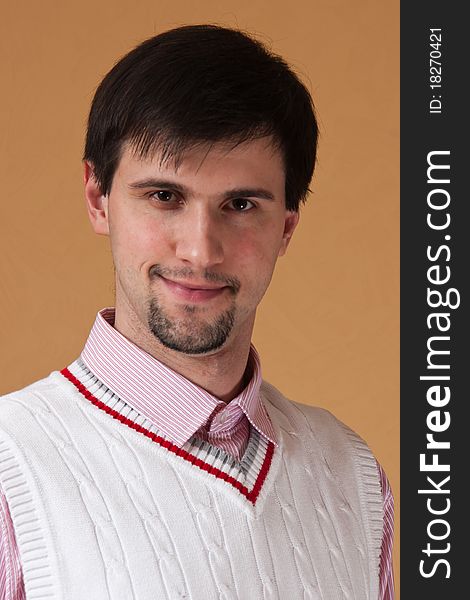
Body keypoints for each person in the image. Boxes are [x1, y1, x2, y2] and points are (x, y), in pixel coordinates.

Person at [0, 24, 394, 599]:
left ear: (286, 226)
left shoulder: (354, 474)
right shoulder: (13, 469)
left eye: (240, 204)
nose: (200, 250)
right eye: (164, 197)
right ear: (97, 197)